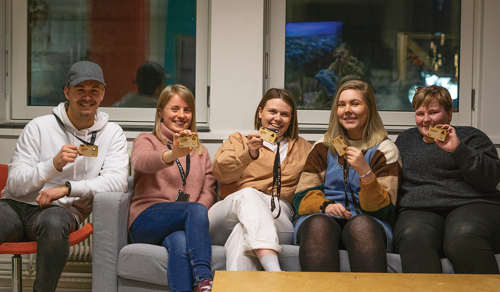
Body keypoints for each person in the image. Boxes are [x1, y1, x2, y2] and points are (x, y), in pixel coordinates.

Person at [0, 60, 129, 291]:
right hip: (15, 206)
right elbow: (14, 184)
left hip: (61, 210)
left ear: (103, 94)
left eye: (94, 91)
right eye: (80, 90)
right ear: (67, 92)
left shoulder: (113, 133)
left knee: (52, 222)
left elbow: (117, 182)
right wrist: (52, 165)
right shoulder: (38, 127)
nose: (87, 97)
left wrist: (67, 188)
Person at [293, 80, 401, 272]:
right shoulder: (323, 146)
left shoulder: (385, 150)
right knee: (319, 224)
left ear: (370, 109)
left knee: (361, 225)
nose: (347, 110)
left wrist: (365, 172)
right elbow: (301, 197)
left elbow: (385, 210)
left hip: (371, 221)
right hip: (322, 215)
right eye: (341, 105)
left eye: (355, 104)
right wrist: (325, 206)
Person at [394, 85, 500, 274]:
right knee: (413, 236)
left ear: (449, 113)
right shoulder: (405, 140)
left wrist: (458, 149)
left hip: (472, 204)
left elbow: (491, 178)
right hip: (419, 209)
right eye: (420, 113)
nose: (426, 119)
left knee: (463, 236)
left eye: (433, 112)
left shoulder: (470, 136)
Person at [208, 88, 312, 271]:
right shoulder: (239, 140)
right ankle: (275, 272)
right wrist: (248, 154)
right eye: (272, 111)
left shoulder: (303, 148)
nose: (277, 118)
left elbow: (313, 184)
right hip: (229, 212)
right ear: (260, 112)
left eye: (284, 114)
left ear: (291, 119)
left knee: (243, 232)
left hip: (278, 214)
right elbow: (220, 173)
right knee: (248, 194)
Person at [128, 84, 216, 292]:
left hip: (181, 223)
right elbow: (141, 162)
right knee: (193, 209)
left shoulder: (200, 151)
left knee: (179, 243)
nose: (181, 115)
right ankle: (204, 279)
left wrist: (194, 218)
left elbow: (209, 191)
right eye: (174, 109)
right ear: (161, 112)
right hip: (145, 220)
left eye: (187, 110)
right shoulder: (147, 140)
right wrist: (172, 154)